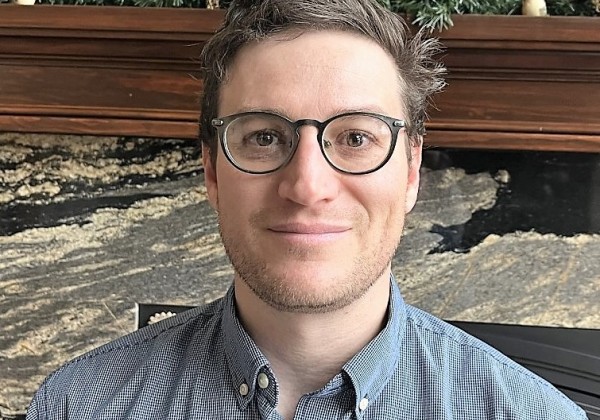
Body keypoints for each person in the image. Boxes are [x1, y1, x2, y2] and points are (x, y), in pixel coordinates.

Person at [27, 0, 586, 419]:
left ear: (411, 172)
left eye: (356, 138)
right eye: (265, 137)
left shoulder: (531, 413)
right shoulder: (78, 404)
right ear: (214, 172)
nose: (307, 185)